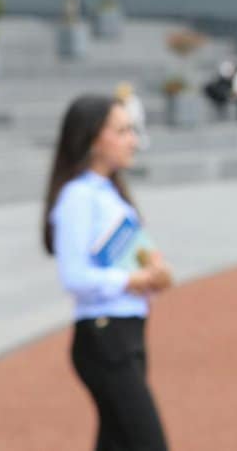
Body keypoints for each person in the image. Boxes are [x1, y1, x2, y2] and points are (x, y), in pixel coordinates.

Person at [43, 95, 173, 451]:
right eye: (122, 131)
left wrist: (152, 272)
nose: (133, 140)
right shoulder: (77, 198)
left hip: (126, 331)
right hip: (104, 335)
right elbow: (74, 276)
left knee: (118, 443)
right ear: (93, 138)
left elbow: (127, 258)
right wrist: (132, 280)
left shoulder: (110, 194)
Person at [115, 82, 150, 150]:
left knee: (137, 132)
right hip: (125, 120)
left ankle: (141, 143)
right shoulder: (119, 101)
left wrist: (130, 121)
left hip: (134, 120)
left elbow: (136, 113)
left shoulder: (133, 101)